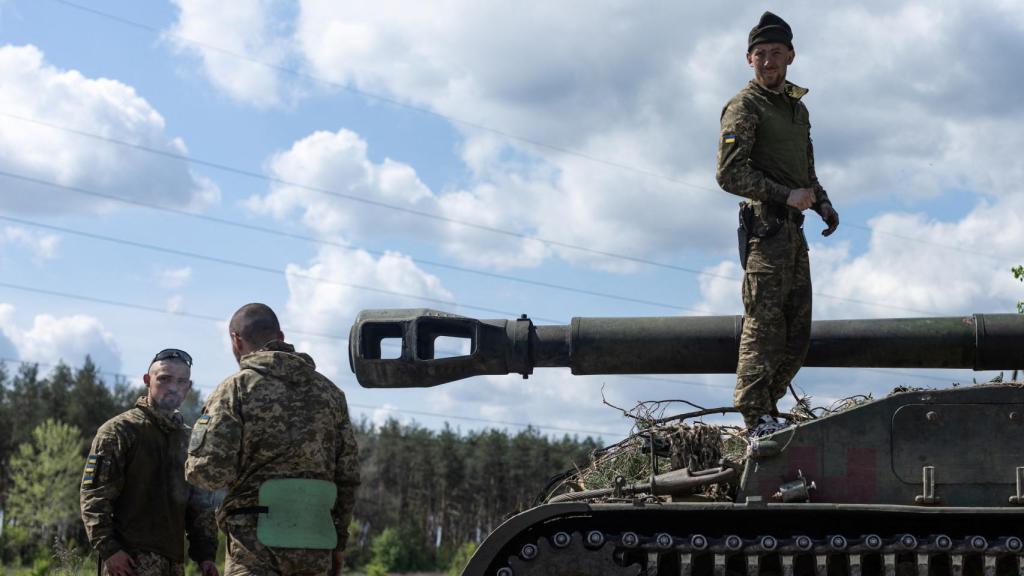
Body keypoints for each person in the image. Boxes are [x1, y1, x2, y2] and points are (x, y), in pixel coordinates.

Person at [716, 11, 840, 432]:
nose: (769, 62)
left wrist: (822, 203)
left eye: (776, 53)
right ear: (748, 59)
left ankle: (769, 410)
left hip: (794, 233)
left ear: (791, 55)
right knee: (763, 329)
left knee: (796, 334)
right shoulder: (744, 106)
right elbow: (729, 174)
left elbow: (805, 171)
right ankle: (754, 418)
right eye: (760, 55)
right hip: (766, 232)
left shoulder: (795, 109)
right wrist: (787, 196)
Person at [185, 303, 360, 576]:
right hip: (316, 545)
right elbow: (347, 477)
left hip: (255, 547)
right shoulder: (331, 394)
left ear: (235, 339)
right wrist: (338, 544)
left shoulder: (235, 390)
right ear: (280, 336)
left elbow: (207, 473)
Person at [80, 349, 219, 576]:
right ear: (147, 380)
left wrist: (206, 556)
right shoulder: (119, 431)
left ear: (188, 386)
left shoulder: (190, 439)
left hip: (173, 564)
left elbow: (200, 506)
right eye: (164, 379)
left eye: (181, 381)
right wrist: (109, 549)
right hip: (128, 563)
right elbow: (94, 496)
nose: (173, 387)